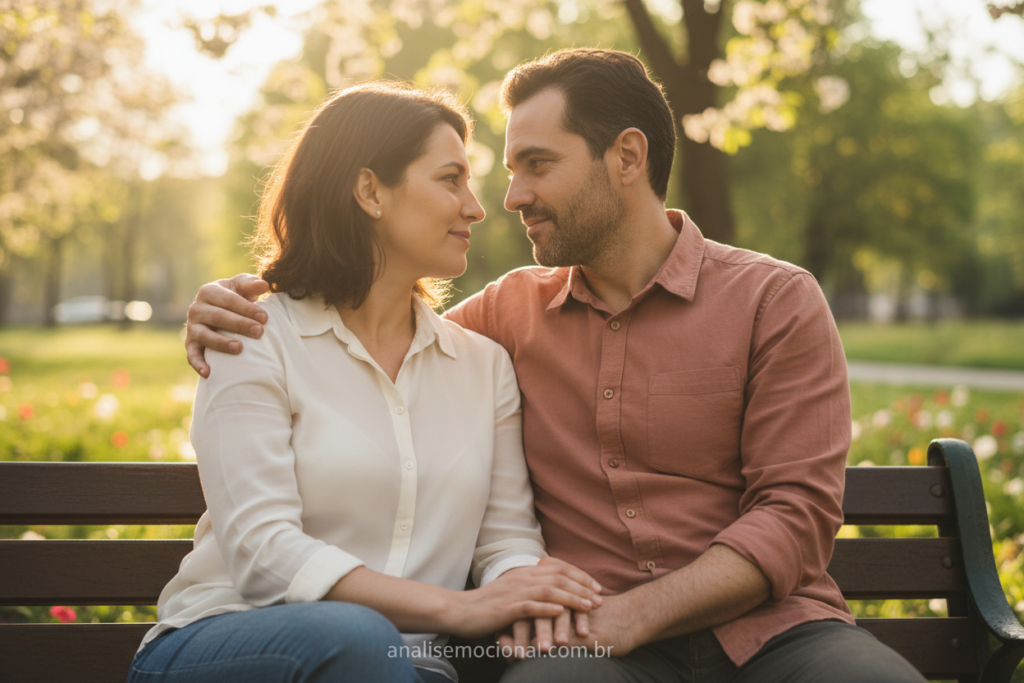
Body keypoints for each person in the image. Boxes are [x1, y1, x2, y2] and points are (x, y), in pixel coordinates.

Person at [184, 50, 928, 683]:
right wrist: (228, 299)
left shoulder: (776, 301)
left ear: (628, 158)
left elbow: (795, 516)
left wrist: (629, 613)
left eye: (536, 165)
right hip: (582, 650)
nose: (507, 199)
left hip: (773, 631)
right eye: (498, 172)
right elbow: (369, 328)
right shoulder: (501, 320)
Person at [128, 82, 605, 683]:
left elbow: (504, 539)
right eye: (450, 178)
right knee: (357, 639)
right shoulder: (252, 337)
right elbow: (262, 553)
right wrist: (458, 609)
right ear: (370, 191)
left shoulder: (483, 366)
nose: (476, 207)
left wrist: (524, 588)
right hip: (229, 643)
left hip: (405, 667)